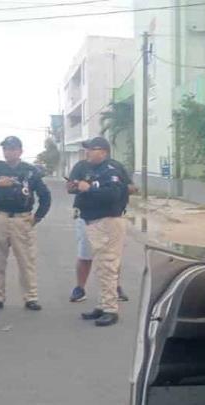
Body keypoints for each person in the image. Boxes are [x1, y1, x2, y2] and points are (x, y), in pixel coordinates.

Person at [0, 136, 51, 312]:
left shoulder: (30, 171)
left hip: (22, 219)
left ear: (20, 151)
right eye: (5, 149)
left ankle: (30, 297)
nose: (8, 152)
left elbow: (45, 196)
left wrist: (37, 217)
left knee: (26, 260)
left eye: (12, 149)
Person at [67, 137, 128, 327]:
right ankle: (102, 305)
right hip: (93, 221)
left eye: (91, 150)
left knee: (108, 265)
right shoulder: (94, 169)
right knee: (101, 267)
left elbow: (114, 194)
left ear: (103, 152)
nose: (87, 153)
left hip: (107, 221)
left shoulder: (111, 170)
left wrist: (90, 187)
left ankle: (111, 309)